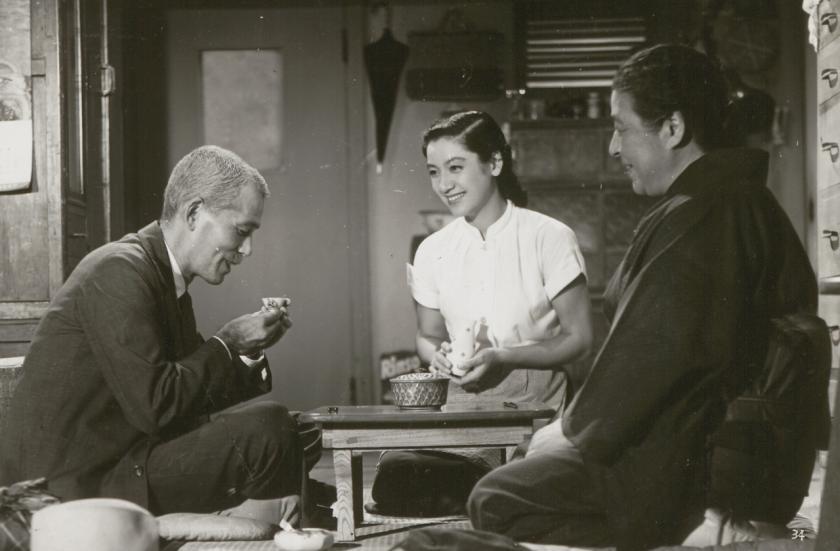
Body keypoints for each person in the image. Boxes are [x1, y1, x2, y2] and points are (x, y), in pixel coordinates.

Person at [467, 44, 818, 550]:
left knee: (496, 499)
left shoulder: (707, 214)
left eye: (622, 128)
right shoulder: (729, 201)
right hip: (738, 450)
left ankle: (700, 529)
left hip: (702, 459)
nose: (614, 147)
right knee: (519, 474)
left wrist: (572, 430)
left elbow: (657, 352)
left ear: (673, 128)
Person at [0, 145, 319, 521]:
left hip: (121, 462)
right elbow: (158, 407)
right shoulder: (118, 271)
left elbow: (187, 396)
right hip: (73, 488)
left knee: (299, 430)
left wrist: (246, 350)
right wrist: (228, 342)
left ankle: (290, 521)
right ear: (194, 213)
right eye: (241, 231)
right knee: (271, 428)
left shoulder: (162, 277)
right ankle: (292, 524)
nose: (247, 249)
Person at [370, 111, 594, 517]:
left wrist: (503, 356)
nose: (444, 184)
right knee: (395, 476)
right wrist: (436, 356)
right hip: (460, 398)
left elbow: (579, 339)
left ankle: (500, 488)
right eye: (434, 172)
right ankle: (489, 490)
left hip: (533, 400)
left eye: (456, 168)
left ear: (494, 163)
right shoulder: (433, 250)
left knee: (518, 481)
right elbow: (428, 336)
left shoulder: (549, 236)